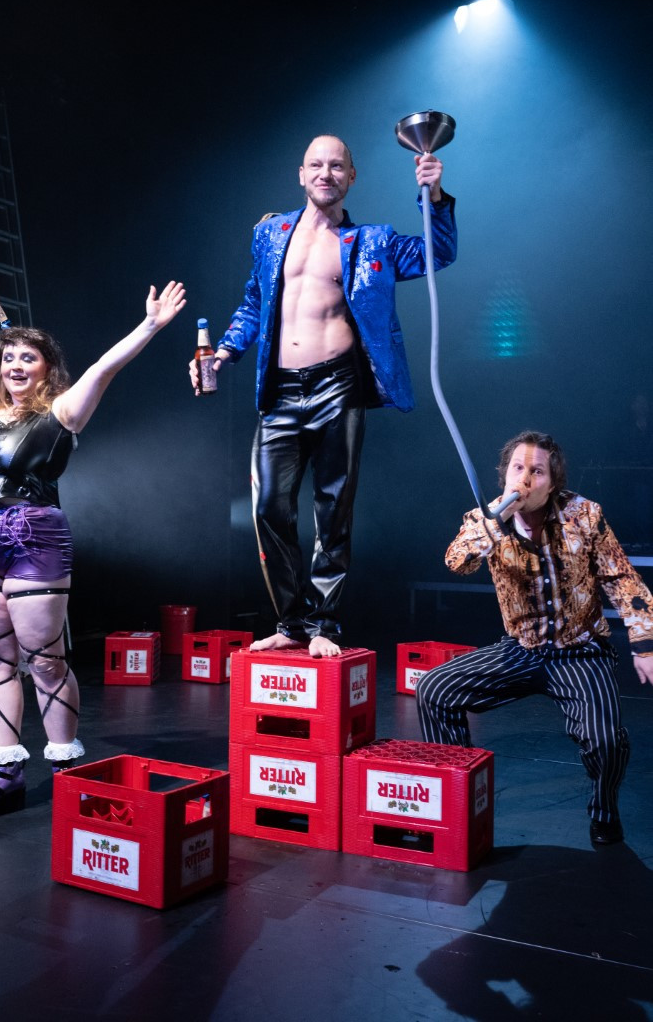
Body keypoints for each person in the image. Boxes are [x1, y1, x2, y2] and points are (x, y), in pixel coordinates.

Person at [189, 134, 457, 657]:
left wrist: (435, 195)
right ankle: (291, 622)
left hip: (339, 385)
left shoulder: (373, 241)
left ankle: (324, 626)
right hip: (281, 390)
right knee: (269, 507)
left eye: (337, 166)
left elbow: (438, 252)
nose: (326, 174)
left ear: (351, 176)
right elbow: (254, 303)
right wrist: (223, 353)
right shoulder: (270, 234)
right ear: (301, 173)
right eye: (316, 165)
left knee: (333, 509)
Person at [0, 276, 187, 819]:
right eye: (8, 358)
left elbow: (104, 367)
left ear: (47, 368)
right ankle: (6, 774)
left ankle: (68, 769)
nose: (15, 366)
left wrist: (149, 325)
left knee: (45, 662)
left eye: (28, 358)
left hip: (34, 542)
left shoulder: (63, 413)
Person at [415, 430, 653, 845]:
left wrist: (644, 644)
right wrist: (493, 524)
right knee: (434, 689)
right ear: (504, 474)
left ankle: (604, 810)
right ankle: (456, 803)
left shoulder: (584, 514)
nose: (524, 479)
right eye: (517, 468)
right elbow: (457, 562)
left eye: (537, 471)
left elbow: (622, 579)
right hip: (521, 649)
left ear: (553, 481)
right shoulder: (484, 519)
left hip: (580, 651)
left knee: (606, 742)